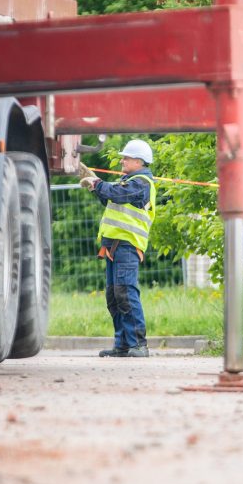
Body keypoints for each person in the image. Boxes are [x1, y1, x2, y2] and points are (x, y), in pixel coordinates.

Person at [78, 139, 156, 357]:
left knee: (125, 292)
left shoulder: (141, 183)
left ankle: (139, 345)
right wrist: (96, 186)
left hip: (128, 246)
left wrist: (97, 184)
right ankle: (123, 345)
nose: (122, 160)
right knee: (114, 296)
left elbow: (119, 194)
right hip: (114, 246)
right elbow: (112, 198)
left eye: (126, 157)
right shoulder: (127, 181)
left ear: (139, 161)